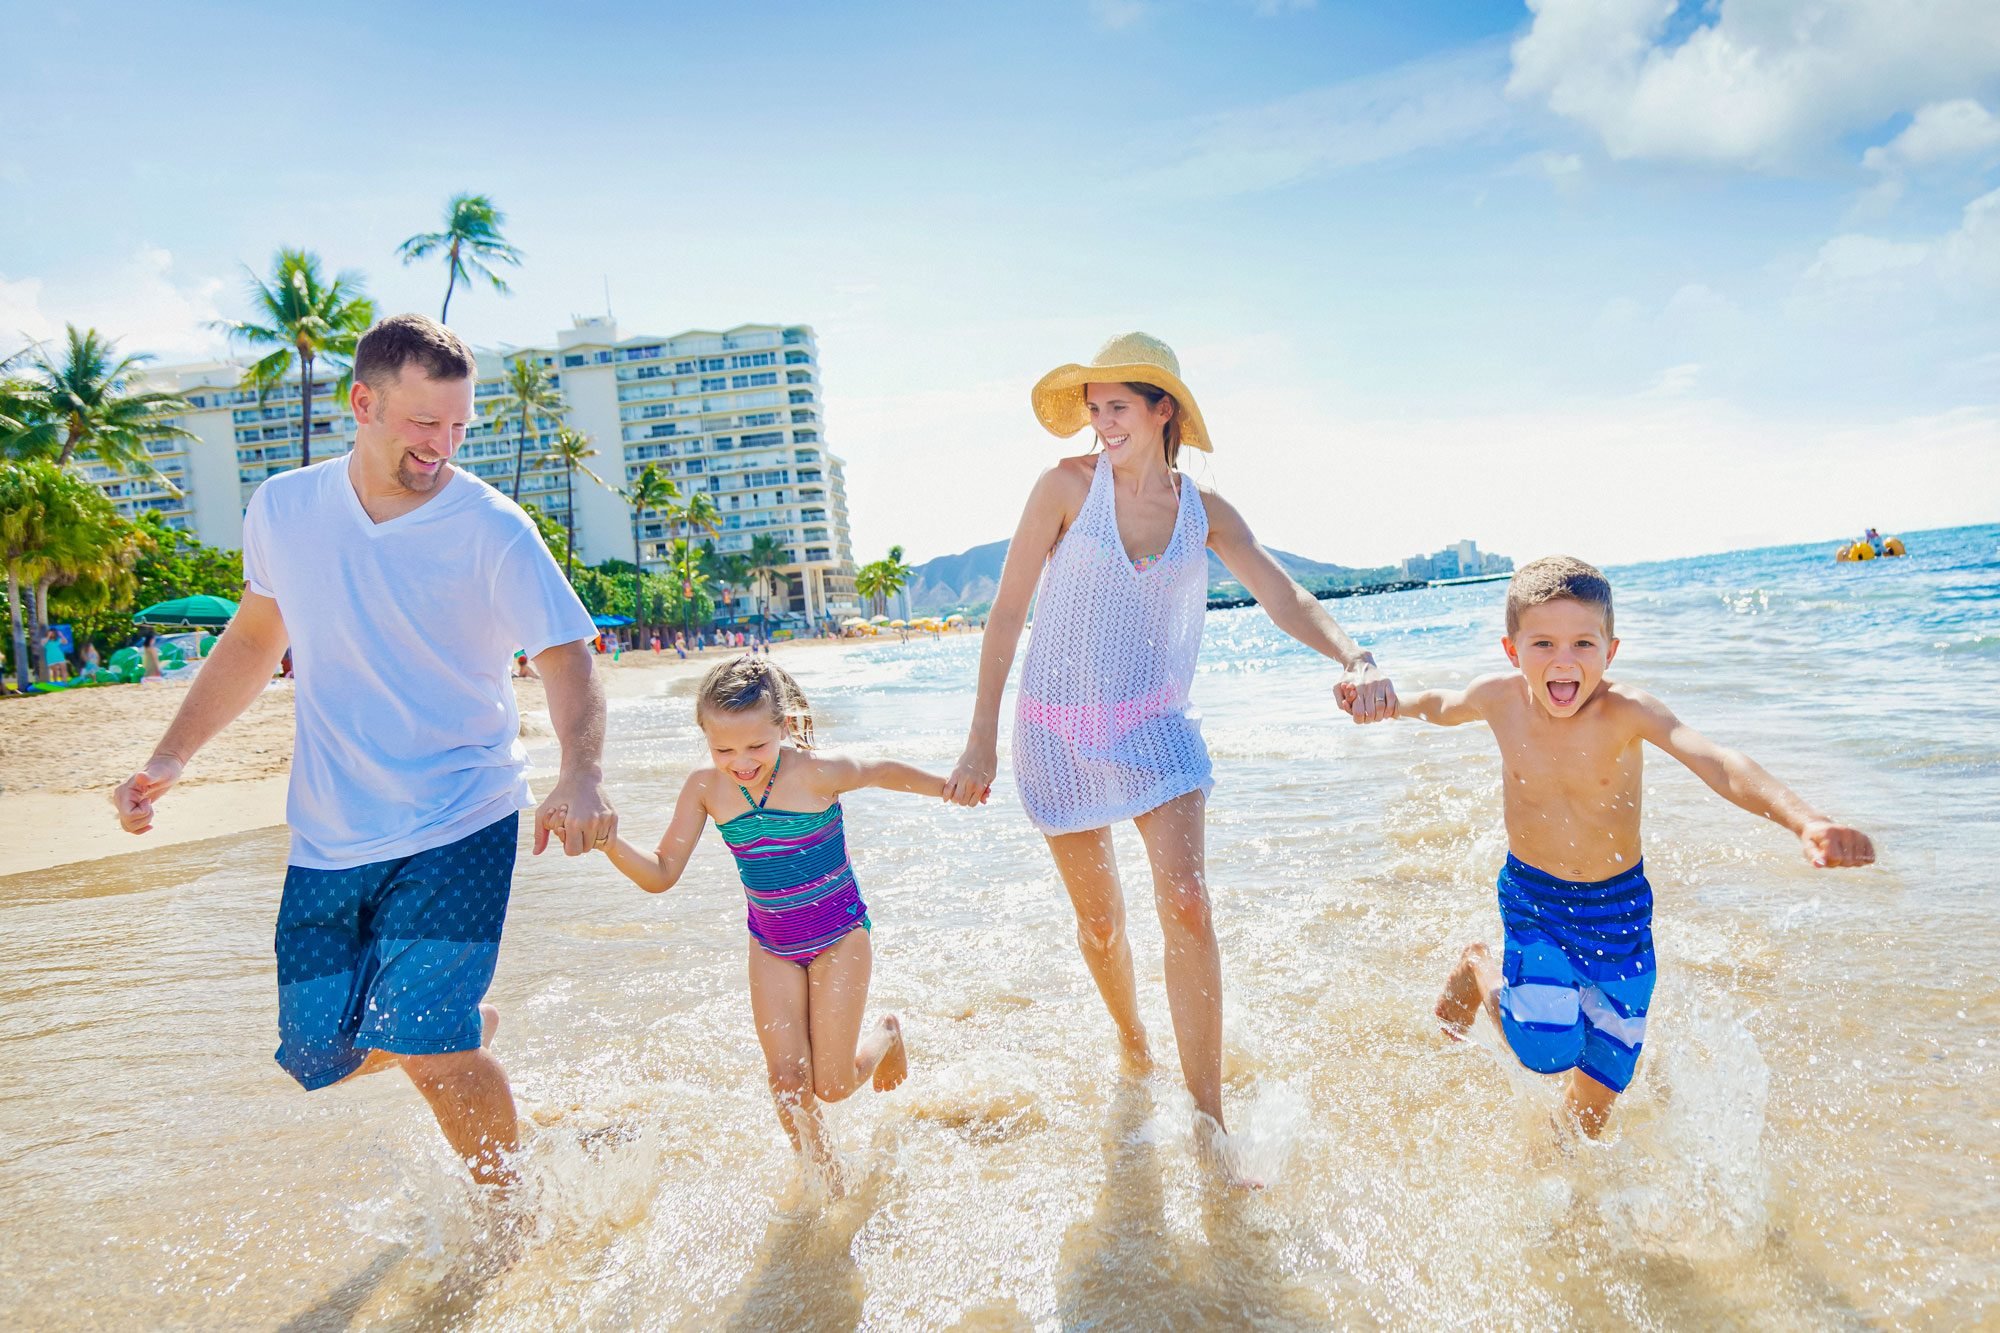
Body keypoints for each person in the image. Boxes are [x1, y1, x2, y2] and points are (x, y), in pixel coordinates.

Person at [112, 313, 614, 1194]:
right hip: (332, 830)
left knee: (430, 1046)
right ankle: (453, 1021)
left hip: (461, 813)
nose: (442, 445)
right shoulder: (285, 509)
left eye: (459, 425)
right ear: (362, 402)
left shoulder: (492, 527)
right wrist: (172, 755)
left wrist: (581, 770)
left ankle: (512, 1218)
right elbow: (256, 636)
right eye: (424, 423)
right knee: (318, 1052)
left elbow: (567, 654)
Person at [942, 332, 1396, 1182]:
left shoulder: (1205, 511)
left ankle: (1207, 1119)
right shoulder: (1063, 490)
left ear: (1163, 412)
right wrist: (978, 736)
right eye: (1095, 407)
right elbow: (1005, 614)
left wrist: (1354, 655)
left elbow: (1283, 591)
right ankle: (1131, 1039)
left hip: (1156, 727)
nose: (1102, 422)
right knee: (1103, 921)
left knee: (1186, 899)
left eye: (1119, 405)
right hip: (1059, 728)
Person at [1384, 556, 1874, 1138]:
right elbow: (1440, 706)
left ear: (1610, 650)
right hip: (1535, 898)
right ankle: (1476, 965)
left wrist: (1805, 820)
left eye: (1583, 644)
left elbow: (1716, 761)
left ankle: (1561, 1171)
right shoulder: (1497, 697)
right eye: (1542, 643)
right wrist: (1391, 702)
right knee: (1543, 1046)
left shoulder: (1627, 712)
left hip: (1618, 909)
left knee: (1600, 1090)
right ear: (1512, 650)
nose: (1564, 660)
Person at [587, 656, 971, 1183]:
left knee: (832, 1086)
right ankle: (826, 1181)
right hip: (771, 946)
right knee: (787, 1081)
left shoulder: (815, 772)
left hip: (840, 937)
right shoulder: (706, 788)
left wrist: (949, 787)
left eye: (755, 747)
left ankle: (887, 1033)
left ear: (783, 728)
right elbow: (660, 873)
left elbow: (881, 771)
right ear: (705, 739)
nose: (740, 762)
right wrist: (609, 842)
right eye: (723, 749)